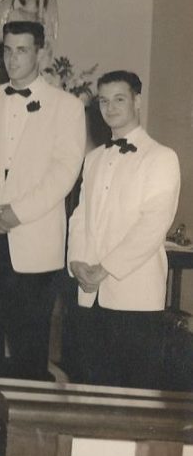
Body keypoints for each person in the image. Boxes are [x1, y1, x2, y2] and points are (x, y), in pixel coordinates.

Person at [0, 21, 85, 422]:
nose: (13, 59)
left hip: (34, 241)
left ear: (41, 54)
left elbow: (64, 173)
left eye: (22, 50)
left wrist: (16, 212)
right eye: (8, 51)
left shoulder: (67, 107)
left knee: (30, 341)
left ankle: (25, 420)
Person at [68, 71, 179, 390]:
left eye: (119, 99)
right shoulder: (94, 158)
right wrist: (77, 262)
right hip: (90, 293)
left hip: (135, 297)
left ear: (137, 101)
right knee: (92, 389)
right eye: (103, 100)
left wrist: (105, 269)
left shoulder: (160, 157)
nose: (110, 107)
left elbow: (152, 226)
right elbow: (80, 217)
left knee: (133, 395)